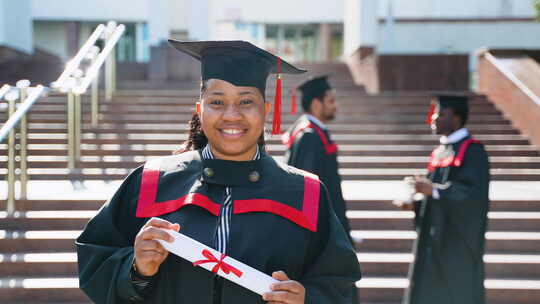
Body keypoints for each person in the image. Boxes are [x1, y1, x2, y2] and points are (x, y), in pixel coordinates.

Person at [76, 40, 361, 304]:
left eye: (246, 101)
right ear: (200, 110)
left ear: (266, 110)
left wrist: (305, 298)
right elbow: (96, 260)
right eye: (217, 102)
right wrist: (136, 268)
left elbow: (339, 285)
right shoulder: (151, 183)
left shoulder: (305, 192)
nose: (231, 114)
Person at [398, 94, 490, 304]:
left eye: (439, 113)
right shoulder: (440, 152)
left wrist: (434, 190)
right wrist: (417, 203)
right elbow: (434, 196)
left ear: (456, 118)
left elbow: (473, 196)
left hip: (458, 242)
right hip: (433, 240)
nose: (433, 119)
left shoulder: (474, 151)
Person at [282, 76, 359, 304]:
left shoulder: (312, 133)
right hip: (317, 231)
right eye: (331, 100)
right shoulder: (310, 137)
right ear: (316, 104)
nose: (335, 105)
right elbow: (307, 191)